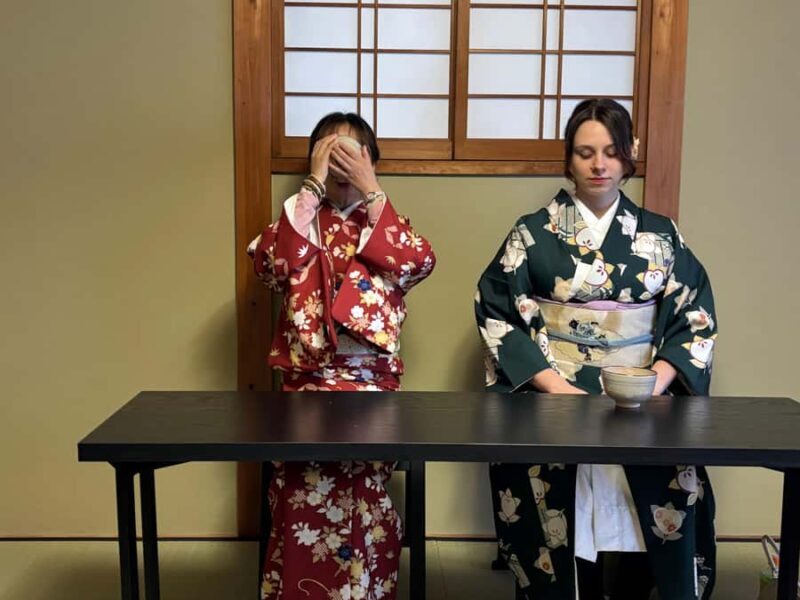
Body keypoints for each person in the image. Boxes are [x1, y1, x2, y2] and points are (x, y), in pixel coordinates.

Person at [475, 99, 718, 600]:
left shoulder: (660, 234)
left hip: (642, 399)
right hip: (555, 396)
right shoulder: (531, 232)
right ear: (569, 160)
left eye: (610, 151)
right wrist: (554, 387)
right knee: (548, 512)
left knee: (656, 502)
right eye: (585, 152)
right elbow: (496, 310)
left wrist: (657, 384)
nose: (598, 164)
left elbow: (694, 317)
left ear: (629, 155)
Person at [248, 112, 435, 599]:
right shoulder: (300, 217)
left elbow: (417, 263)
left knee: (367, 500)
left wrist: (373, 193)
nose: (343, 164)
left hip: (370, 387)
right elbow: (271, 266)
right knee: (298, 494)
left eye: (355, 154)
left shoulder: (387, 224)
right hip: (306, 384)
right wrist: (310, 188)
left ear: (371, 162)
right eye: (332, 153)